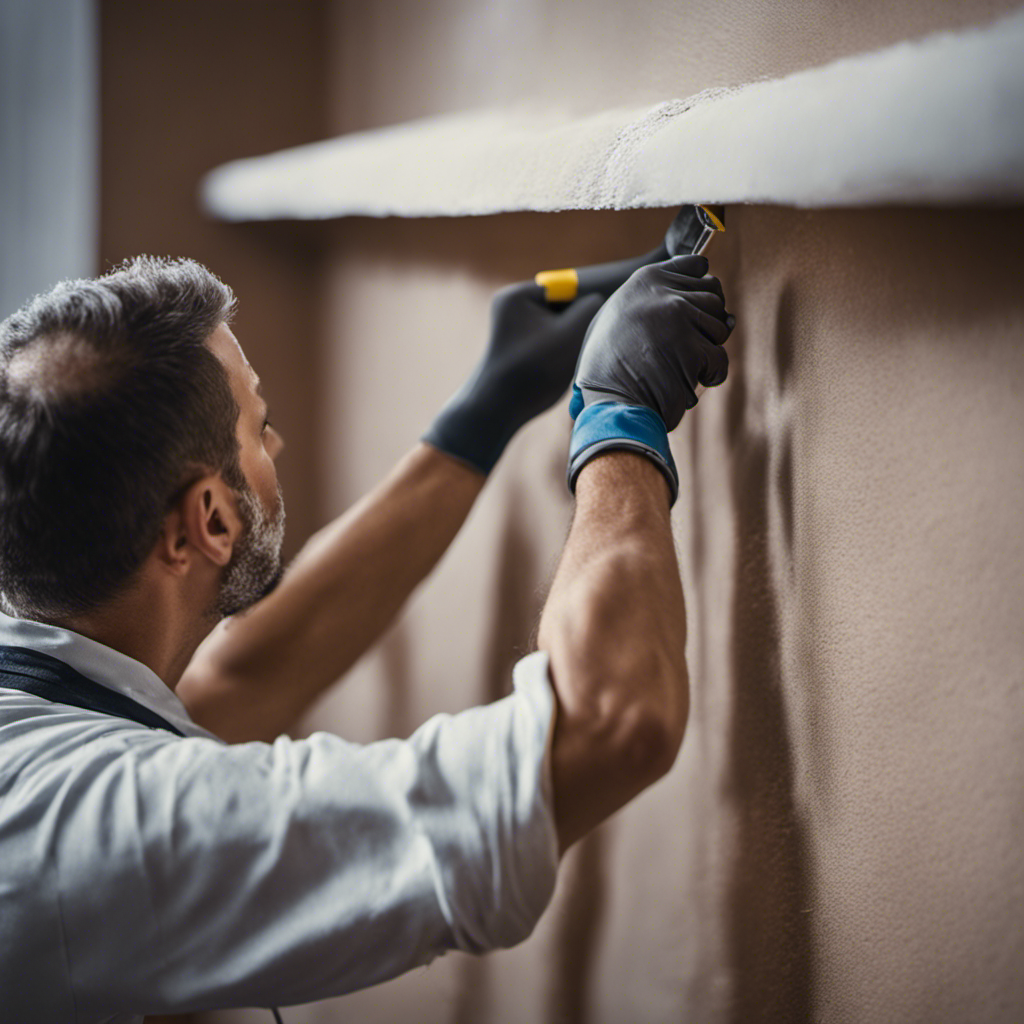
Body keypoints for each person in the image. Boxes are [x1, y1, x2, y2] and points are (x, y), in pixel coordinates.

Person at [0, 251, 732, 1023]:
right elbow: (611, 723)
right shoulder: (110, 836)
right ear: (210, 521)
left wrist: (482, 413)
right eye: (262, 424)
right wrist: (618, 418)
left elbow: (233, 688)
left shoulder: (44, 711)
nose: (274, 445)